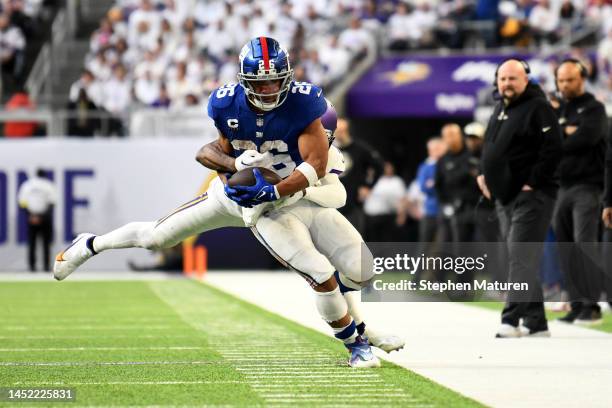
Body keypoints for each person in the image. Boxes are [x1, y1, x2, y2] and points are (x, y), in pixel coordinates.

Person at [53, 37, 403, 368]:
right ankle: (91, 244)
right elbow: (214, 152)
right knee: (157, 237)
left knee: (358, 269)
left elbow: (330, 188)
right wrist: (234, 169)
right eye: (261, 83)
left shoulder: (314, 127)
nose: (268, 90)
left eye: (274, 82)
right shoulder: (228, 104)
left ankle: (360, 331)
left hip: (282, 204)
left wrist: (276, 191)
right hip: (238, 200)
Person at [477, 59, 562, 338]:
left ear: (526, 80)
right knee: (519, 256)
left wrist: (532, 182)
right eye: (502, 79)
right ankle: (537, 322)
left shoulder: (538, 106)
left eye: (513, 79)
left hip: (532, 195)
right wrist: (483, 174)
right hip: (504, 196)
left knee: (520, 255)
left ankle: (511, 319)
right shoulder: (500, 107)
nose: (507, 84)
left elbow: (554, 147)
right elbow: (490, 146)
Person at [552, 59, 609, 325]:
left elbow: (587, 138)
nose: (565, 85)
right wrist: (566, 132)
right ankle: (576, 304)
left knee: (584, 243)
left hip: (588, 186)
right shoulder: (560, 108)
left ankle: (592, 305)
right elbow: (548, 142)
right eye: (561, 80)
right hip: (561, 187)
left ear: (582, 79)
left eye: (570, 79)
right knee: (566, 246)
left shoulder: (595, 108)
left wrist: (561, 135)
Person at [333, 118, 383, 234]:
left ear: (348, 132)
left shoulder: (360, 149)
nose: (339, 134)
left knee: (355, 236)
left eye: (342, 131)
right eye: (337, 131)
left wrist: (368, 186)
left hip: (353, 201)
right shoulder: (330, 149)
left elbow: (379, 167)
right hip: (333, 200)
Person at [18, 169, 57, 272]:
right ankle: (46, 266)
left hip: (31, 217)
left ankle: (32, 267)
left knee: (32, 243)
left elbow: (22, 203)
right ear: (44, 175)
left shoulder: (27, 185)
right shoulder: (48, 185)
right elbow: (51, 203)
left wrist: (31, 216)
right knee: (46, 244)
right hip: (45, 218)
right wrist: (42, 217)